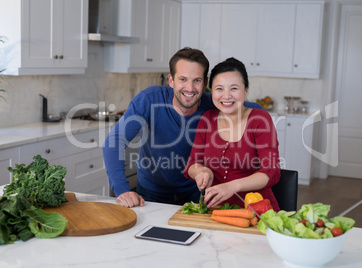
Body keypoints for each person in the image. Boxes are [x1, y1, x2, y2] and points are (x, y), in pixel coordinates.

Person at [103, 48, 261, 208]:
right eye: (183, 79)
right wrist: (122, 190)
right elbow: (114, 142)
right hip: (151, 193)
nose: (190, 88)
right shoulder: (149, 99)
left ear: (205, 83)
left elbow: (253, 108)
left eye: (197, 80)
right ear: (171, 80)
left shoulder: (214, 105)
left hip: (195, 194)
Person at [184, 57, 281, 211]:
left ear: (246, 90)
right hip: (216, 212)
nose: (226, 96)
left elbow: (271, 171)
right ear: (211, 91)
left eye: (234, 88)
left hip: (258, 212)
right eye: (219, 88)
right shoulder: (207, 119)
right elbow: (192, 165)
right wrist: (201, 171)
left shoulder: (260, 120)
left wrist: (233, 186)